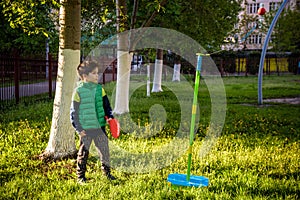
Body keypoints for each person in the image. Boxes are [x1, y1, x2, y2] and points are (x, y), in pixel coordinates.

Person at [70, 61, 116, 183]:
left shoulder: (100, 90)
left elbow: (107, 107)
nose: (97, 76)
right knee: (83, 154)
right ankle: (80, 177)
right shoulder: (78, 92)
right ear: (85, 76)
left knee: (105, 151)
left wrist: (110, 117)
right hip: (86, 130)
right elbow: (73, 113)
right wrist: (79, 129)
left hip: (100, 127)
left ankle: (107, 173)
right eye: (94, 73)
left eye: (97, 73)